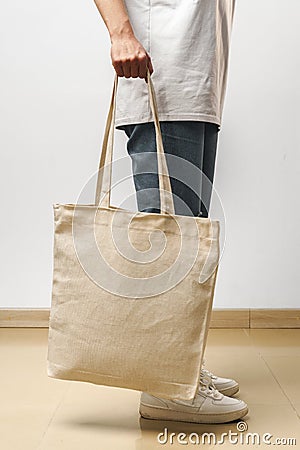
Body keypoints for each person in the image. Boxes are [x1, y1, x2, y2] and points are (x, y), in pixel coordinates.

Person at [94, 0, 248, 423]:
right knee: (169, 247)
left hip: (198, 84)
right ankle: (166, 389)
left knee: (189, 243)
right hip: (162, 78)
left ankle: (179, 368)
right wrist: (121, 33)